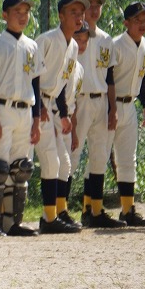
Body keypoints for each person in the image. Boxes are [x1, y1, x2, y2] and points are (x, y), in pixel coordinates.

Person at [0, 0, 42, 236]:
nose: (23, 16)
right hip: (2, 109)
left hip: (26, 110)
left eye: (26, 11)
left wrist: (37, 120)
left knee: (21, 168)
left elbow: (35, 84)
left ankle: (12, 223)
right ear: (5, 15)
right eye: (17, 11)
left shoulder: (32, 46)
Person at [71, 0, 126, 228]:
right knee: (71, 154)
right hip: (79, 100)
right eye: (89, 4)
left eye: (98, 5)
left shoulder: (106, 39)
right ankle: (59, 211)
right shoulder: (73, 36)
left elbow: (110, 76)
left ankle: (94, 211)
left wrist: (113, 109)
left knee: (99, 156)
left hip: (101, 99)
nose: (94, 9)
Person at [32, 0, 85, 234]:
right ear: (60, 16)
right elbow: (31, 76)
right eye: (72, 12)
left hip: (52, 105)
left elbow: (63, 84)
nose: (78, 16)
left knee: (63, 163)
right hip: (36, 104)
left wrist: (63, 114)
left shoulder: (73, 45)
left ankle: (59, 212)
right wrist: (39, 107)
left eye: (80, 12)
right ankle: (48, 218)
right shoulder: (46, 40)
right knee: (52, 161)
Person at [110, 1, 145, 227]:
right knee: (99, 156)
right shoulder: (116, 44)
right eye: (137, 20)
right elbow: (108, 77)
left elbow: (143, 77)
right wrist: (109, 109)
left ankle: (128, 210)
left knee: (128, 158)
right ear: (126, 22)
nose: (142, 24)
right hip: (110, 104)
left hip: (130, 105)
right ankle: (91, 208)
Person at [56, 22, 87, 223]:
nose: (81, 44)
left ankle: (62, 209)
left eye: (84, 40)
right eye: (77, 39)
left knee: (67, 165)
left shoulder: (81, 69)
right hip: (55, 114)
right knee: (60, 163)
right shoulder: (61, 62)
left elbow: (74, 101)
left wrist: (74, 131)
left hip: (68, 118)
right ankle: (55, 211)